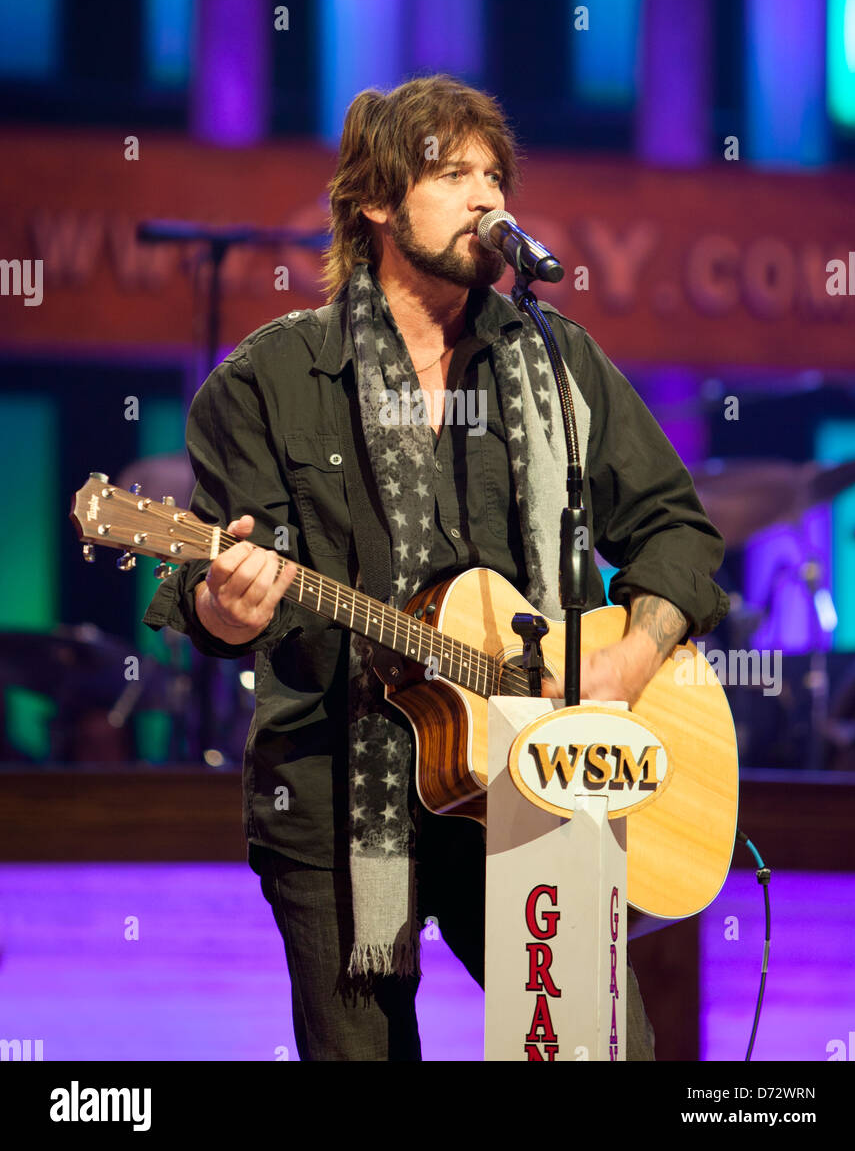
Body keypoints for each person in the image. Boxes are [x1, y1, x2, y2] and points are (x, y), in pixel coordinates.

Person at [144, 73, 729, 1061]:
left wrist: (621, 666)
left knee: (600, 1045)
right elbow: (218, 595)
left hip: (536, 771)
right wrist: (226, 604)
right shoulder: (268, 381)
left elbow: (678, 533)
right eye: (451, 173)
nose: (486, 197)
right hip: (338, 786)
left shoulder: (555, 363)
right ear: (373, 198)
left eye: (493, 174)